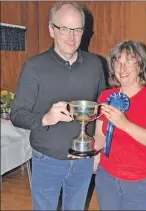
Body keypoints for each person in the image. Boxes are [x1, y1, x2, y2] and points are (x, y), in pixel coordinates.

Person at [10, 2, 106, 210]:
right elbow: (16, 114)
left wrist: (97, 148)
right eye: (64, 29)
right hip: (47, 160)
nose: (71, 37)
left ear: (83, 31)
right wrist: (46, 118)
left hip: (83, 160)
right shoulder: (34, 67)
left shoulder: (95, 64)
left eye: (77, 30)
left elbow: (101, 110)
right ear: (51, 30)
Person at [93, 40, 146, 210]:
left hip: (144, 183)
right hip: (107, 178)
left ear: (141, 66)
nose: (122, 69)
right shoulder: (106, 96)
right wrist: (84, 150)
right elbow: (100, 136)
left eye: (130, 62)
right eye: (118, 62)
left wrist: (125, 124)